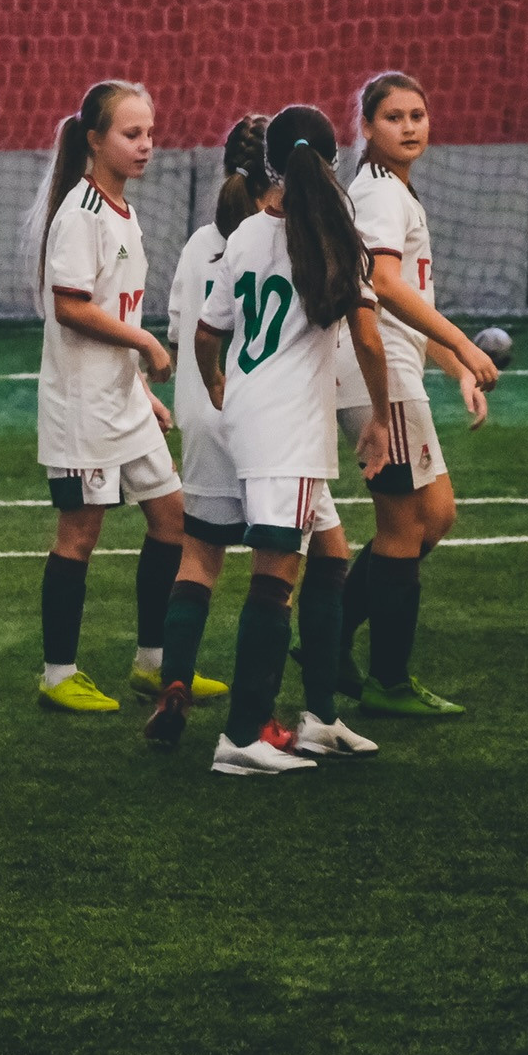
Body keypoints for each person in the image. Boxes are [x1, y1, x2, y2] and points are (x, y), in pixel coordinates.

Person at [191, 104, 392, 773]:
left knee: (332, 556)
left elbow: (206, 334)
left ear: (268, 164)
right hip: (289, 431)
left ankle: (321, 720)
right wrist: (383, 419)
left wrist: (220, 386)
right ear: (332, 161)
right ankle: (242, 737)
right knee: (276, 578)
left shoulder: (246, 231)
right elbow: (366, 336)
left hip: (257, 416)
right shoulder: (334, 228)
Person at [334, 73, 501, 716]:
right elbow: (382, 283)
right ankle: (388, 682)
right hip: (378, 376)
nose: (409, 126)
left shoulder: (394, 191)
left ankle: (331, 639)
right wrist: (464, 343)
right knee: (404, 527)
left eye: (418, 114)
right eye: (393, 117)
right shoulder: (378, 194)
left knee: (434, 516)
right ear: (368, 129)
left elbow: (402, 305)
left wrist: (450, 360)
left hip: (393, 369)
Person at [28, 82, 186, 713]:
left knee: (173, 519)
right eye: (130, 134)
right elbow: (70, 307)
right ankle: (58, 674)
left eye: (149, 133)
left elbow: (110, 305)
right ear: (94, 140)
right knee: (79, 536)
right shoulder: (81, 212)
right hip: (81, 410)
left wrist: (142, 389)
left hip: (122, 402)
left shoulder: (121, 209)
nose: (145, 145)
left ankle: (152, 663)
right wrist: (146, 343)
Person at [140, 118, 268, 744]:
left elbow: (174, 334)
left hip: (200, 419)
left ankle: (176, 686)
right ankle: (268, 715)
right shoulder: (280, 243)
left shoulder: (197, 246)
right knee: (295, 567)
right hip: (267, 423)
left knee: (199, 559)